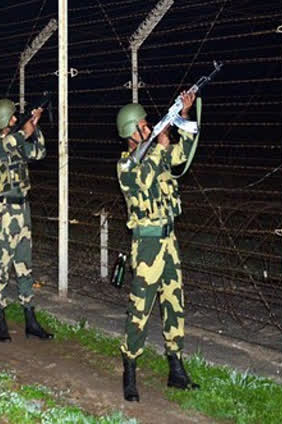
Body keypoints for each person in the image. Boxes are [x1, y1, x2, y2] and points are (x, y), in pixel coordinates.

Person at [115, 91, 200, 402]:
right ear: (131, 131)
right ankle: (130, 368)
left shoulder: (157, 153)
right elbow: (146, 178)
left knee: (174, 302)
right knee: (140, 308)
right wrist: (161, 146)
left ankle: (175, 367)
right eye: (144, 125)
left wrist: (184, 117)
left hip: (168, 240)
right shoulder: (126, 166)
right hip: (147, 243)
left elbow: (184, 154)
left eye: (149, 123)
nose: (149, 127)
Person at [0, 99, 53, 343]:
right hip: (6, 212)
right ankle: (0, 316)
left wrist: (36, 127)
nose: (15, 120)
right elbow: (12, 141)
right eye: (13, 117)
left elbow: (39, 152)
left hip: (23, 210)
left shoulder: (17, 142)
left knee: (24, 265)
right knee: (3, 266)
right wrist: (26, 128)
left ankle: (30, 320)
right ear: (4, 120)